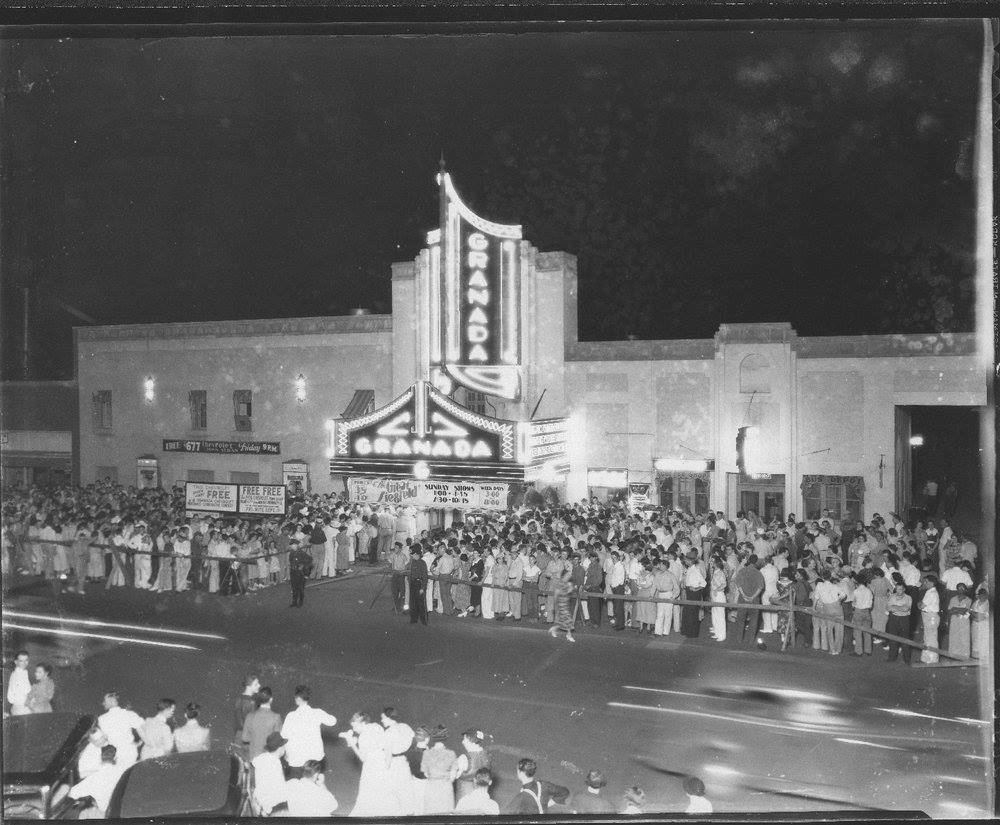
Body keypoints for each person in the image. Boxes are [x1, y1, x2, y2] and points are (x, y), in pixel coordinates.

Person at [342, 710, 403, 817]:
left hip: (371, 767)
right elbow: (387, 745)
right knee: (385, 794)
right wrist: (388, 764)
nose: (353, 729)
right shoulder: (377, 727)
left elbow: (363, 758)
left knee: (369, 796)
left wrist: (352, 744)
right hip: (383, 763)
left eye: (354, 726)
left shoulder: (362, 737)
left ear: (362, 722)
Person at [281, 685, 337, 777]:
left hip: (296, 759)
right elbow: (333, 721)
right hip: (314, 759)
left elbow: (284, 736)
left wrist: (287, 754)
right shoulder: (317, 713)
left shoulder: (290, 716)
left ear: (297, 699)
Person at [69, 745, 127, 819]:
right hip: (125, 805)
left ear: (100, 759)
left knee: (83, 814)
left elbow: (72, 793)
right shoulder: (122, 768)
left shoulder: (94, 779)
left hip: (109, 813)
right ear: (115, 757)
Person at [503, 757, 570, 814]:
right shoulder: (544, 785)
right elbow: (564, 792)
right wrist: (547, 804)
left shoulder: (521, 797)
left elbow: (505, 815)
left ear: (521, 773)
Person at [98, 692, 144, 766]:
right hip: (129, 751)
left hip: (115, 752)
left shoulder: (101, 719)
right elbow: (144, 729)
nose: (103, 703)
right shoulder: (129, 714)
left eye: (104, 701)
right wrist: (139, 743)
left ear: (112, 701)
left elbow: (103, 741)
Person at [421, 724, 458, 813]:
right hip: (445, 788)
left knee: (430, 815)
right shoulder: (451, 754)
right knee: (446, 815)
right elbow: (453, 776)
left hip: (431, 787)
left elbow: (425, 773)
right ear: (446, 737)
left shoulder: (426, 753)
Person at [251, 732, 289, 816]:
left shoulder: (262, 757)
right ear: (280, 747)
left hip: (259, 802)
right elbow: (280, 791)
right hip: (271, 807)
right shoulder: (275, 763)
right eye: (284, 745)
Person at [451, 728, 492, 802]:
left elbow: (452, 776)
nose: (463, 742)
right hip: (483, 794)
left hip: (464, 794)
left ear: (471, 741)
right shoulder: (488, 756)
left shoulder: (463, 758)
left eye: (465, 739)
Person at [241, 687, 282, 761]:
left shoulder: (250, 716)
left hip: (253, 758)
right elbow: (277, 742)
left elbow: (244, 737)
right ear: (271, 699)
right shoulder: (276, 717)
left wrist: (256, 738)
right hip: (269, 759)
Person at [732, 555, 764, 647]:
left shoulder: (742, 571)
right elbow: (760, 587)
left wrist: (744, 596)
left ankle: (739, 640)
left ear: (749, 561)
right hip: (754, 600)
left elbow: (738, 585)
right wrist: (752, 597)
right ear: (756, 562)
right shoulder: (758, 573)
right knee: (753, 621)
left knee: (740, 620)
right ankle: (750, 641)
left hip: (742, 599)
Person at [885, 580, 914, 664]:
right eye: (897, 589)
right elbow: (888, 608)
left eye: (900, 589)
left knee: (905, 639)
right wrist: (900, 607)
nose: (898, 591)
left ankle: (907, 659)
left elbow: (906, 609)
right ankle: (892, 657)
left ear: (904, 589)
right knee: (892, 638)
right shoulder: (892, 596)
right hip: (893, 618)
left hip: (904, 619)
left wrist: (894, 606)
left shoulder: (908, 598)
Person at [548, 566, 576, 642]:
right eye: (567, 575)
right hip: (561, 604)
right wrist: (555, 605)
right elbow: (556, 594)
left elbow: (568, 592)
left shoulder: (568, 583)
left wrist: (571, 588)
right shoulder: (559, 583)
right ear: (564, 576)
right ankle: (569, 635)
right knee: (567, 620)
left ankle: (554, 629)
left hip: (566, 604)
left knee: (562, 620)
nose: (569, 576)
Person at [918, 574, 941, 664]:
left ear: (932, 583)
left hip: (931, 616)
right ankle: (926, 658)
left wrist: (920, 604)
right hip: (927, 616)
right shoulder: (929, 592)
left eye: (926, 582)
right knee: (927, 638)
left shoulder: (931, 593)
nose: (924, 583)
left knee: (931, 638)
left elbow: (921, 605)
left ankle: (933, 659)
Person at [946, 583, 972, 660]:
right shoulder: (953, 599)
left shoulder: (969, 600)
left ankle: (964, 658)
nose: (960, 590)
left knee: (964, 639)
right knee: (954, 638)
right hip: (954, 621)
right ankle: (953, 657)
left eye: (962, 588)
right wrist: (959, 610)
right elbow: (950, 611)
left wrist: (955, 609)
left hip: (964, 621)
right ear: (956, 589)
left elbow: (966, 611)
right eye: (959, 588)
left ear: (966, 590)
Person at [234, 673, 261, 743]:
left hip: (238, 737)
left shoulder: (238, 699)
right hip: (249, 738)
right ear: (248, 686)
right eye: (256, 684)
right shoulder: (253, 703)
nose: (259, 685)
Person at [408, 546, 429, 625]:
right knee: (413, 602)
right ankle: (414, 618)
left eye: (413, 554)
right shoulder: (413, 562)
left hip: (419, 583)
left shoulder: (422, 563)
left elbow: (425, 576)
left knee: (421, 603)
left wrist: (423, 588)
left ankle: (424, 620)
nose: (412, 556)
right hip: (413, 583)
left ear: (416, 554)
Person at [7, 650, 31, 716]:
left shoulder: (22, 672)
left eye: (26, 660)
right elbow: (27, 691)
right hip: (20, 708)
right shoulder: (18, 674)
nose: (24, 663)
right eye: (21, 661)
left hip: (18, 707)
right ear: (16, 662)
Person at [288, 539, 312, 607]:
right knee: (294, 588)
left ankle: (300, 602)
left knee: (300, 588)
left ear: (297, 545)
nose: (292, 546)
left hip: (300, 572)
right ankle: (294, 601)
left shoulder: (301, 553)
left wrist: (305, 571)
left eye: (294, 545)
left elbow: (309, 560)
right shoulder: (291, 553)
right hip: (293, 571)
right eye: (292, 545)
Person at [970, 586, 990, 660]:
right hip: (975, 624)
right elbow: (970, 611)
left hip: (984, 624)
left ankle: (984, 656)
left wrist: (976, 615)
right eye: (980, 594)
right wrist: (974, 616)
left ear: (986, 595)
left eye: (983, 594)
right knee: (975, 639)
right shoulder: (975, 602)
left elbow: (986, 615)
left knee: (984, 640)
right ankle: (976, 656)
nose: (982, 596)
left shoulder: (988, 603)